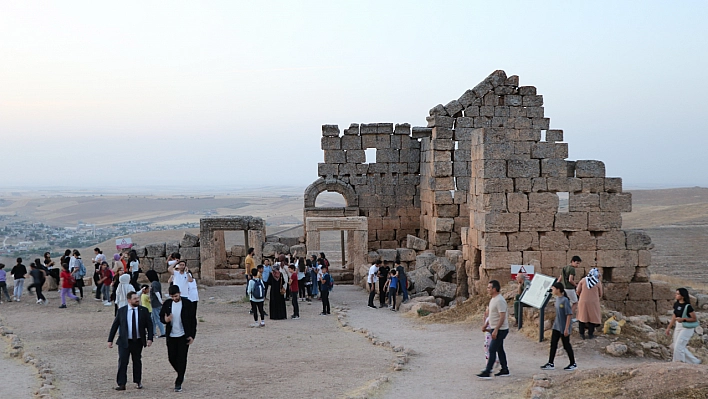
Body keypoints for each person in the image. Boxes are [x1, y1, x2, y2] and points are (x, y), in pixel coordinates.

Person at [108, 291, 153, 391]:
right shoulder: (122, 311)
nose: (137, 300)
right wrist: (110, 340)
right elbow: (115, 325)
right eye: (135, 298)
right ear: (129, 300)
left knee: (137, 361)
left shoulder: (144, 310)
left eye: (138, 298)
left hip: (137, 341)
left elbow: (149, 325)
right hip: (124, 341)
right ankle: (121, 383)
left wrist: (150, 338)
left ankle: (138, 381)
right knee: (123, 361)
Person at [160, 285, 197, 393]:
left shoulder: (187, 304)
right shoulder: (167, 304)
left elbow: (193, 321)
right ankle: (181, 373)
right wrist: (165, 320)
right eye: (172, 296)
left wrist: (192, 335)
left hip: (183, 335)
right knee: (171, 358)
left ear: (180, 293)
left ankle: (179, 381)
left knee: (182, 358)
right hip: (171, 336)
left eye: (176, 296)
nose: (174, 298)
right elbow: (161, 316)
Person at [540, 282, 577, 371]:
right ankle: (550, 363)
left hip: (564, 327)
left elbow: (569, 314)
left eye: (553, 288)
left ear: (558, 289)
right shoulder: (557, 299)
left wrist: (567, 328)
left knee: (566, 345)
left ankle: (573, 363)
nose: (552, 290)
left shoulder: (565, 300)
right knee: (553, 344)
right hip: (556, 326)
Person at [477, 280, 510, 379]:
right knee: (499, 349)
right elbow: (492, 315)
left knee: (492, 349)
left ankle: (488, 371)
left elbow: (502, 316)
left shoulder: (500, 300)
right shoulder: (493, 299)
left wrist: (496, 329)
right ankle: (505, 369)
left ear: (494, 289)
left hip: (500, 329)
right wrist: (486, 325)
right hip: (494, 328)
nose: (487, 289)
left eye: (489, 288)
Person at [665, 288, 702, 364]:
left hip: (687, 328)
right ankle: (695, 362)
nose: (676, 295)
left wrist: (683, 319)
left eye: (678, 294)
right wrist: (669, 327)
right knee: (676, 346)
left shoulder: (688, 306)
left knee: (679, 347)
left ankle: (679, 363)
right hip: (678, 326)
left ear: (683, 296)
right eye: (676, 293)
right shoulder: (676, 304)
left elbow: (694, 319)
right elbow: (674, 316)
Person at [575, 268, 603, 339]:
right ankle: (590, 334)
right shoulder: (598, 282)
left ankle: (581, 334)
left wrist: (582, 296)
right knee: (592, 318)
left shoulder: (583, 280)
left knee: (582, 317)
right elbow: (600, 294)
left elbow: (578, 291)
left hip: (583, 302)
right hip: (593, 302)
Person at [146, 270, 166, 337]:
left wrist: (160, 301)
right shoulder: (157, 283)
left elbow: (157, 293)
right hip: (155, 303)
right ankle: (152, 332)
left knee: (157, 318)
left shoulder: (154, 284)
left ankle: (163, 332)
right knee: (152, 319)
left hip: (155, 304)